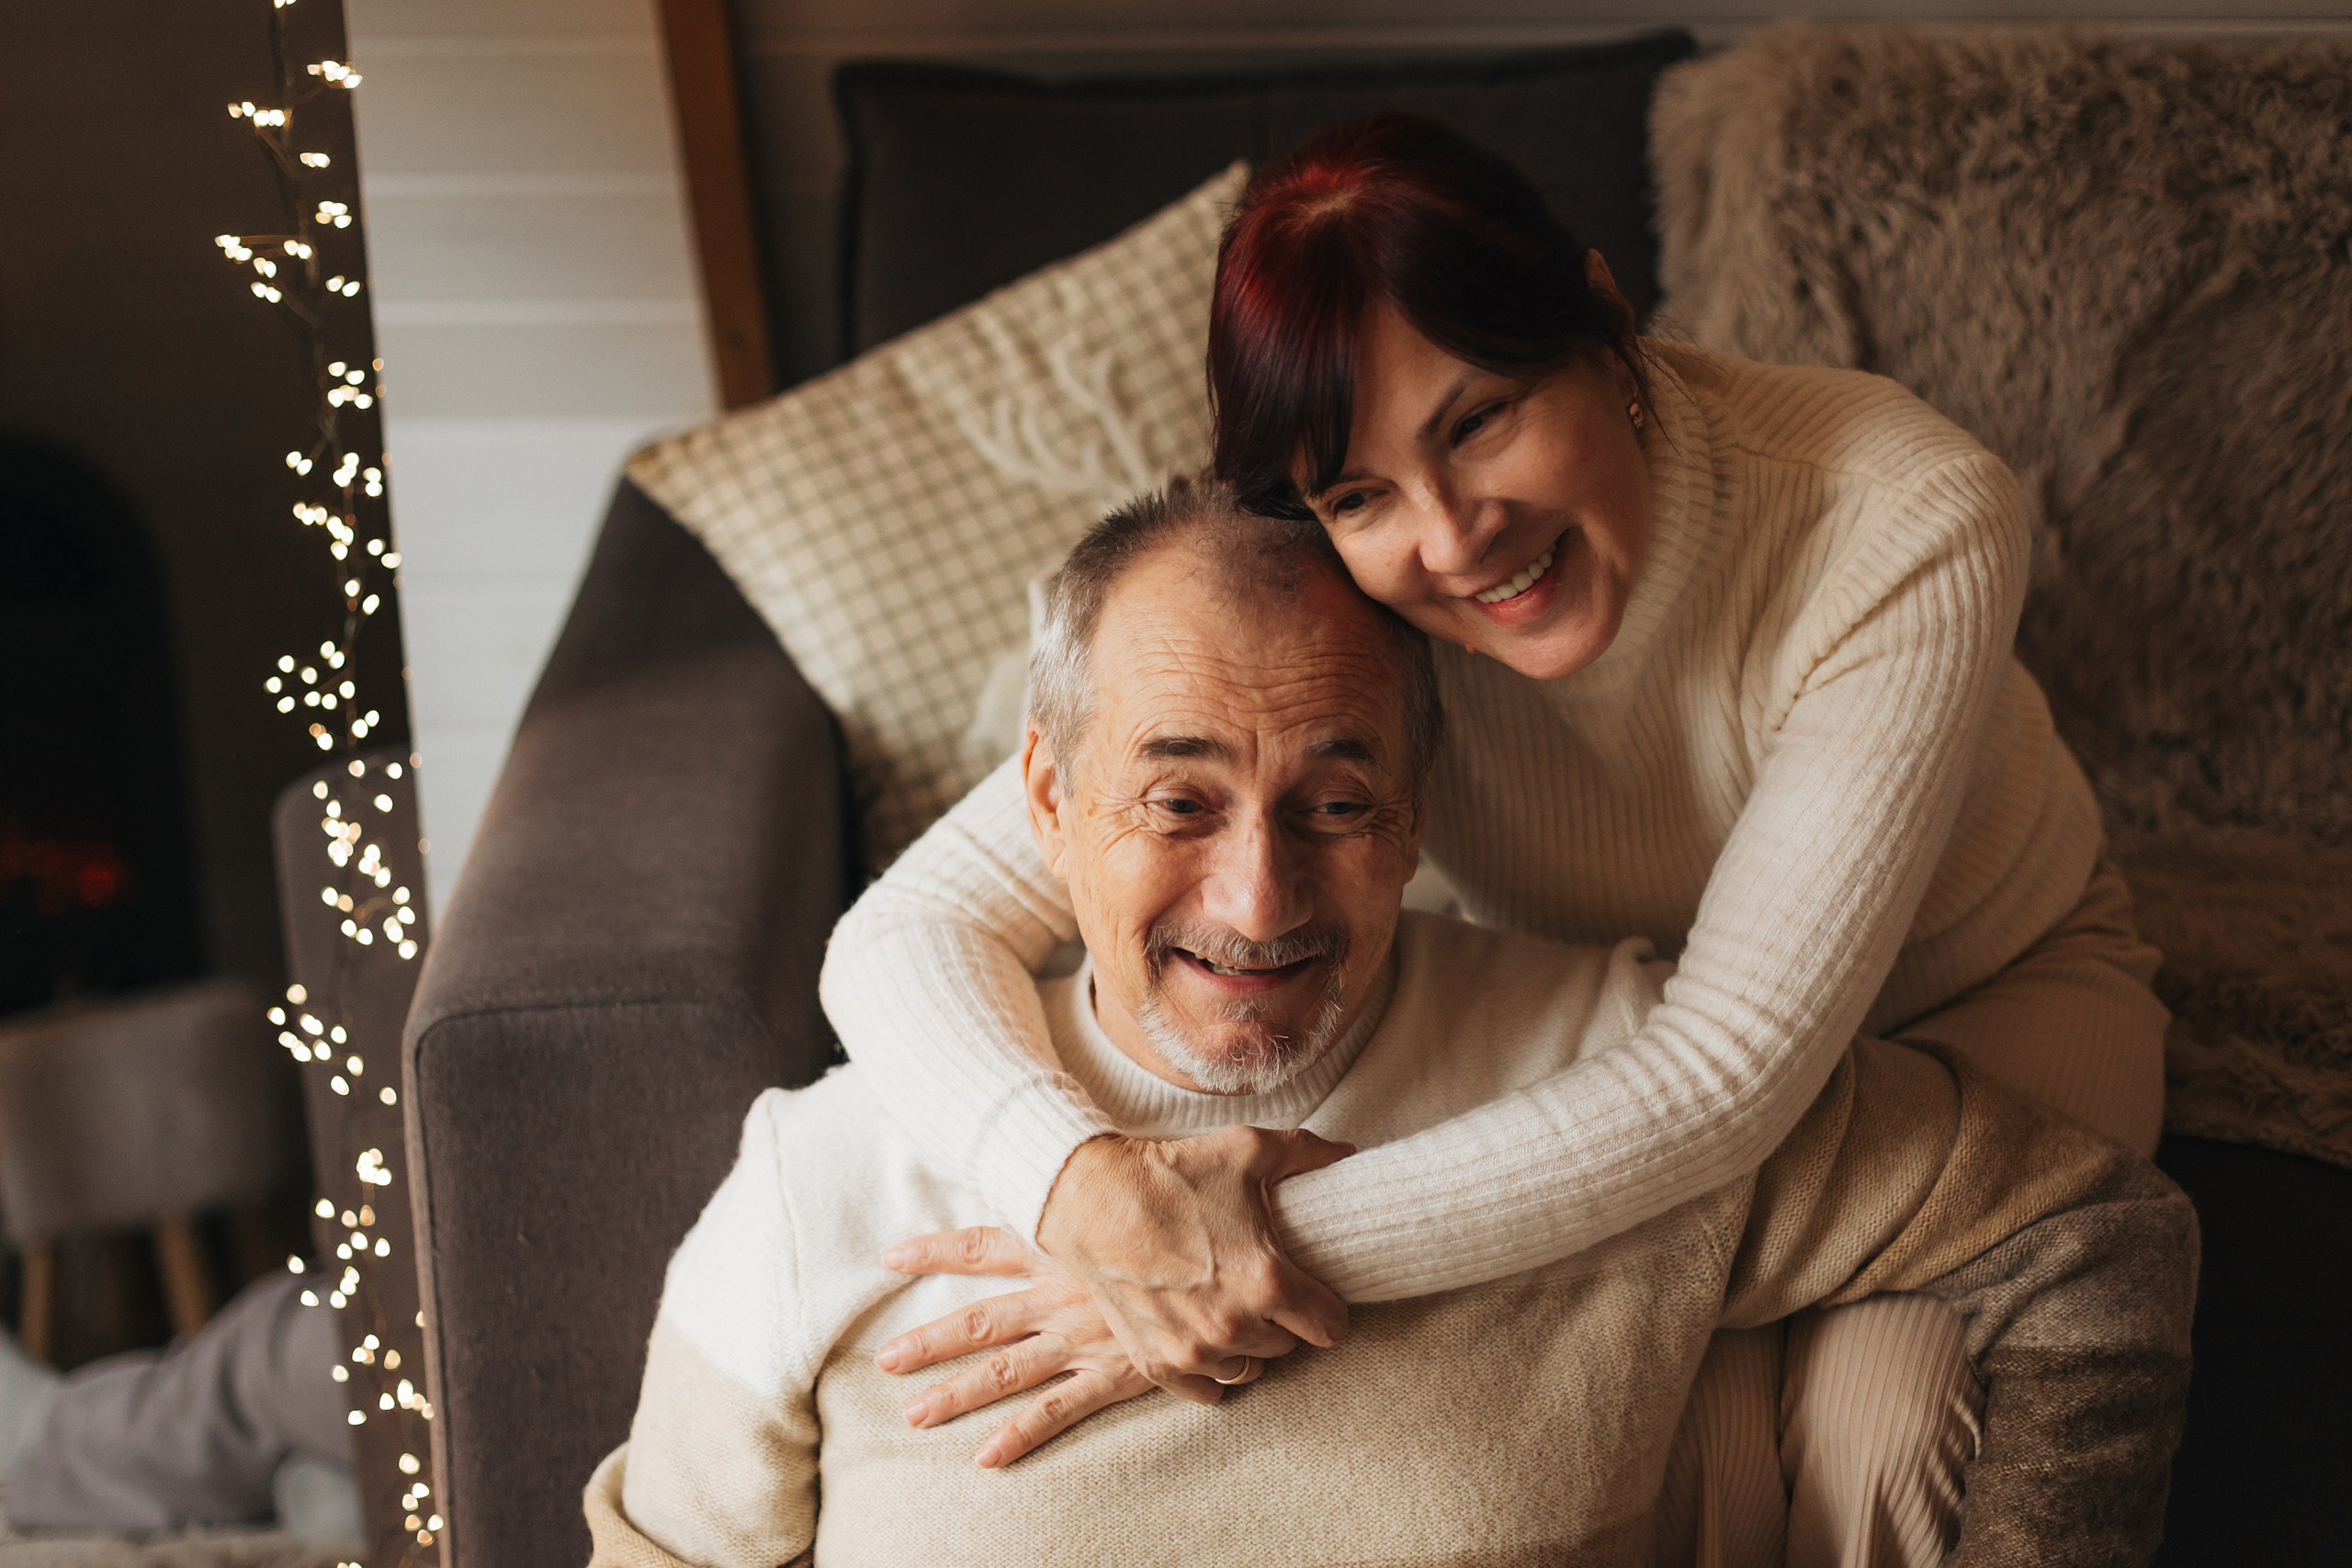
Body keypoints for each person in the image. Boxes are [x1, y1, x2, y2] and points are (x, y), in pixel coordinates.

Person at [818, 113, 2177, 1565]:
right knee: (1652, 1449)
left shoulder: (1901, 512)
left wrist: (1226, 1255)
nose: (1456, 539)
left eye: (1480, 420)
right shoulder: (1344, 585)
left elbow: (1726, 1082)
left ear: (1603, 322)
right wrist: (1082, 1189)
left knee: (1881, 1434)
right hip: (1595, 1039)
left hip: (1970, 1012)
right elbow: (903, 932)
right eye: (1361, 493)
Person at [588, 485, 2191, 1568]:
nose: (1258, 891)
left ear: (1421, 816)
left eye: (1337, 801)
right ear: (1048, 800)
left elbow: (2089, 1240)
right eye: (1180, 798)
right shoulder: (829, 1179)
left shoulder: (1601, 1072)